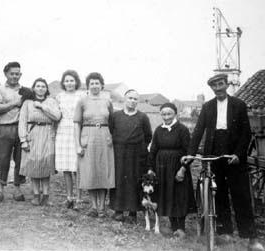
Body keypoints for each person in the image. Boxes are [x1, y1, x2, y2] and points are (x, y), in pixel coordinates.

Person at [181, 74, 264, 251]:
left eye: (221, 84)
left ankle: (251, 238)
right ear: (212, 88)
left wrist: (238, 154)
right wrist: (190, 154)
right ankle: (224, 232)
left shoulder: (239, 105)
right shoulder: (207, 107)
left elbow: (245, 133)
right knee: (217, 193)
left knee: (241, 195)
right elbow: (198, 132)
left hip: (233, 152)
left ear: (226, 85)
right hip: (214, 150)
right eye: (214, 86)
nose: (218, 88)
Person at [148, 103, 195, 238]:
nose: (166, 117)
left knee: (179, 195)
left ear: (175, 114)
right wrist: (151, 168)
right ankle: (173, 225)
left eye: (169, 114)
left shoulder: (182, 129)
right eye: (163, 114)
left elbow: (189, 151)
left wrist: (183, 169)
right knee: (167, 195)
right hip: (162, 168)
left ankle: (181, 228)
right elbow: (153, 150)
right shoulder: (158, 130)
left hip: (177, 167)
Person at [74, 72, 114, 217]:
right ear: (88, 85)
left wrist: (111, 137)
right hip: (87, 136)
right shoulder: (82, 101)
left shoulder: (107, 101)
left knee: (103, 172)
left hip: (104, 137)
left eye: (97, 83)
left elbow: (112, 122)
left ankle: (102, 207)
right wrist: (78, 144)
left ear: (102, 85)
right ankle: (93, 206)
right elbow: (77, 124)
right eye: (92, 83)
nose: (95, 86)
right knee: (90, 171)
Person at [109, 89, 152, 224]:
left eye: (135, 99)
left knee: (134, 181)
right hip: (119, 153)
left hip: (136, 154)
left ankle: (133, 212)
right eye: (130, 98)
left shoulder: (142, 117)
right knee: (119, 180)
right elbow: (111, 131)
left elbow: (148, 136)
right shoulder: (115, 116)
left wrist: (138, 148)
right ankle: (118, 210)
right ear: (124, 99)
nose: (132, 101)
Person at [18, 78, 61, 206]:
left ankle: (46, 196)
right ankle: (36, 195)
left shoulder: (51, 102)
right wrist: (23, 140)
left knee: (46, 165)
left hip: (48, 135)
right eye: (38, 86)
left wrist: (42, 107)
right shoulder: (27, 103)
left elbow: (57, 116)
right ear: (34, 88)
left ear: (46, 89)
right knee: (34, 166)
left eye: (43, 86)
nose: (41, 88)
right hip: (33, 135)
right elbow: (22, 121)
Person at [0, 62, 26, 203]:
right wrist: (14, 104)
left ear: (20, 75)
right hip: (5, 127)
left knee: (20, 159)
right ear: (6, 74)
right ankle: (0, 189)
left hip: (21, 129)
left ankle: (17, 189)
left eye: (17, 74)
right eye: (12, 73)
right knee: (3, 158)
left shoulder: (25, 90)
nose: (14, 76)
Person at [55, 70, 85, 209]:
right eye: (66, 81)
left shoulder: (82, 95)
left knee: (77, 166)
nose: (69, 83)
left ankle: (79, 198)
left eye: (72, 80)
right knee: (66, 167)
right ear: (63, 83)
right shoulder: (59, 96)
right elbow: (56, 114)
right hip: (62, 131)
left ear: (76, 82)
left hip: (77, 129)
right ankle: (69, 197)